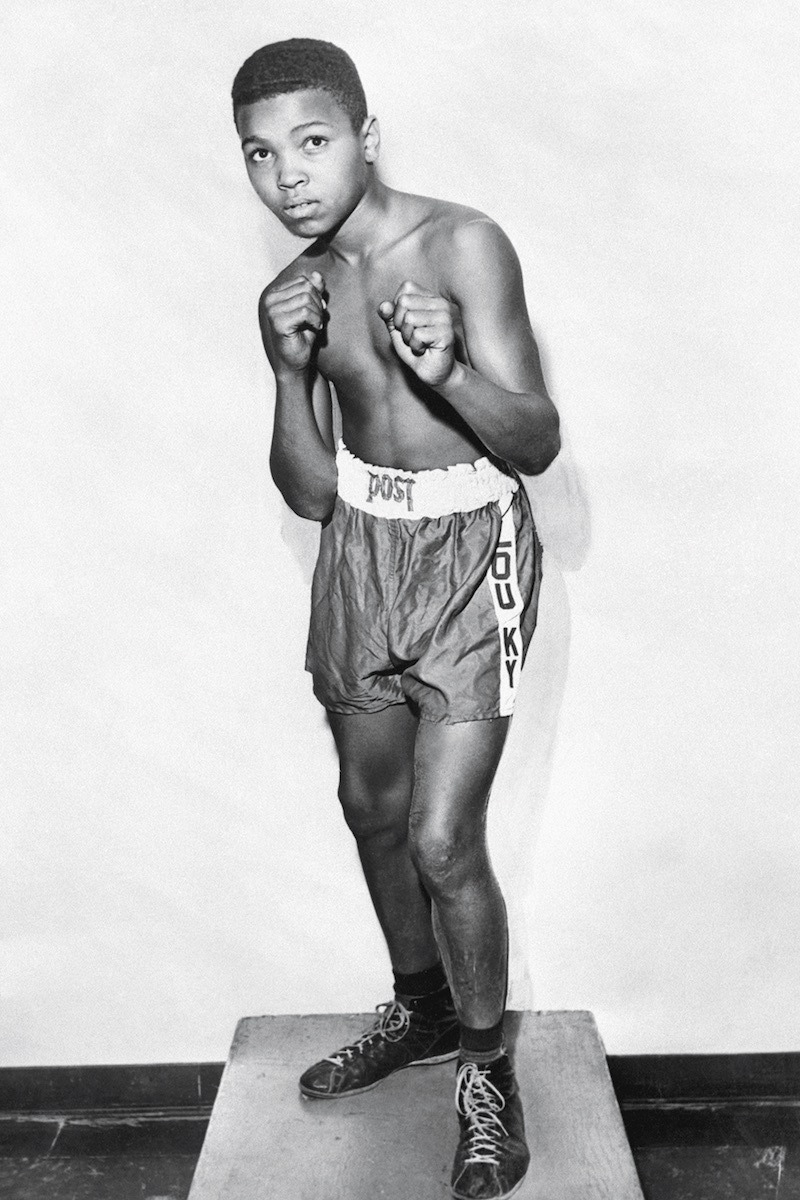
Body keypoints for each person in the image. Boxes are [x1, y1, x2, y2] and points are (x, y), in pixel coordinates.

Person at [232, 37, 560, 1200]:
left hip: (472, 556)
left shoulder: (462, 244)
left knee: (439, 838)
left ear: (364, 139)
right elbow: (311, 492)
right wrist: (283, 369)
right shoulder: (299, 286)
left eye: (311, 143)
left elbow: (532, 442)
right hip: (358, 551)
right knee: (367, 807)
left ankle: (485, 1070)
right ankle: (418, 1010)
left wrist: (450, 374)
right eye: (262, 156)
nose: (290, 177)